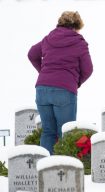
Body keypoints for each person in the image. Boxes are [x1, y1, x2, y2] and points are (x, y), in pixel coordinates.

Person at [28, 11, 93, 154]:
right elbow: (88, 69)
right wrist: (75, 82)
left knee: (48, 132)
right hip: (64, 91)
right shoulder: (79, 42)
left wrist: (44, 73)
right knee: (65, 132)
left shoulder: (49, 38)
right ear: (76, 27)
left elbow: (32, 54)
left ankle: (45, 170)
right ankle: (63, 171)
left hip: (42, 90)